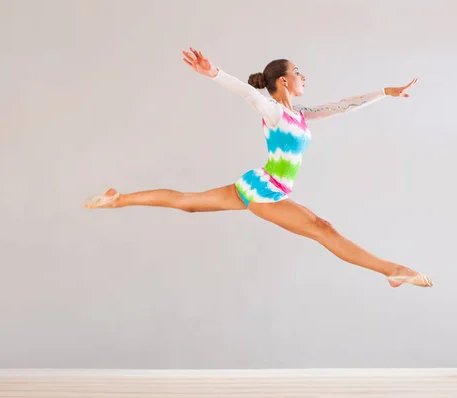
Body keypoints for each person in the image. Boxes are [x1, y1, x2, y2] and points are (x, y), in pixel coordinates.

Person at [82, 47, 433, 288]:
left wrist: (386, 91)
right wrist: (214, 73)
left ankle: (118, 198)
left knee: (187, 202)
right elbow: (248, 94)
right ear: (282, 80)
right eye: (297, 72)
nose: (303, 75)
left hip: (259, 184)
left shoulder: (301, 114)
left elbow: (342, 106)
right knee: (324, 230)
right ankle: (394, 271)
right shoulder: (275, 111)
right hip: (266, 192)